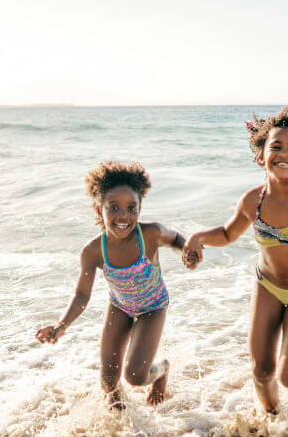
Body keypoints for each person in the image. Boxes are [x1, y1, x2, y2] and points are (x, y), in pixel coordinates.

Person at [182, 102, 288, 414]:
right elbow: (227, 234)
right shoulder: (253, 201)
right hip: (266, 287)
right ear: (261, 155)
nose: (284, 154)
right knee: (260, 371)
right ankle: (272, 416)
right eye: (276, 146)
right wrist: (198, 238)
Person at [36, 161, 189, 409]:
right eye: (113, 207)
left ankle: (162, 371)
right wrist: (61, 325)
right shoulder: (93, 251)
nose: (123, 215)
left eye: (131, 208)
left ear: (140, 209)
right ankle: (119, 424)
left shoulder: (150, 234)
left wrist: (187, 251)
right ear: (99, 210)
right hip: (120, 307)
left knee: (135, 376)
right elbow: (81, 295)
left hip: (153, 307)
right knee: (108, 382)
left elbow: (176, 239)